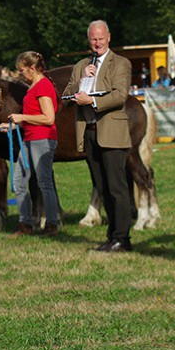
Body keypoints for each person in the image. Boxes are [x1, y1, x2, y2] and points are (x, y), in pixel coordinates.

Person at [63, 20, 133, 252]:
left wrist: (91, 100)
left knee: (117, 187)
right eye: (93, 39)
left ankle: (123, 238)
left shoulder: (120, 63)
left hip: (111, 132)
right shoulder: (82, 65)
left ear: (109, 38)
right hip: (90, 133)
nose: (97, 43)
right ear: (88, 40)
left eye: (101, 38)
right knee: (102, 188)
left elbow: (120, 95)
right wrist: (82, 80)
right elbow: (66, 94)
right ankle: (111, 236)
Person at [1, 51, 60, 236]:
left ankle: (52, 224)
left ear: (33, 68)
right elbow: (34, 116)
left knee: (44, 182)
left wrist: (22, 117)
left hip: (42, 139)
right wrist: (13, 125)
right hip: (29, 137)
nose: (20, 74)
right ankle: (25, 223)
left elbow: (48, 118)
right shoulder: (33, 86)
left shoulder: (43, 86)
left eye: (22, 70)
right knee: (18, 181)